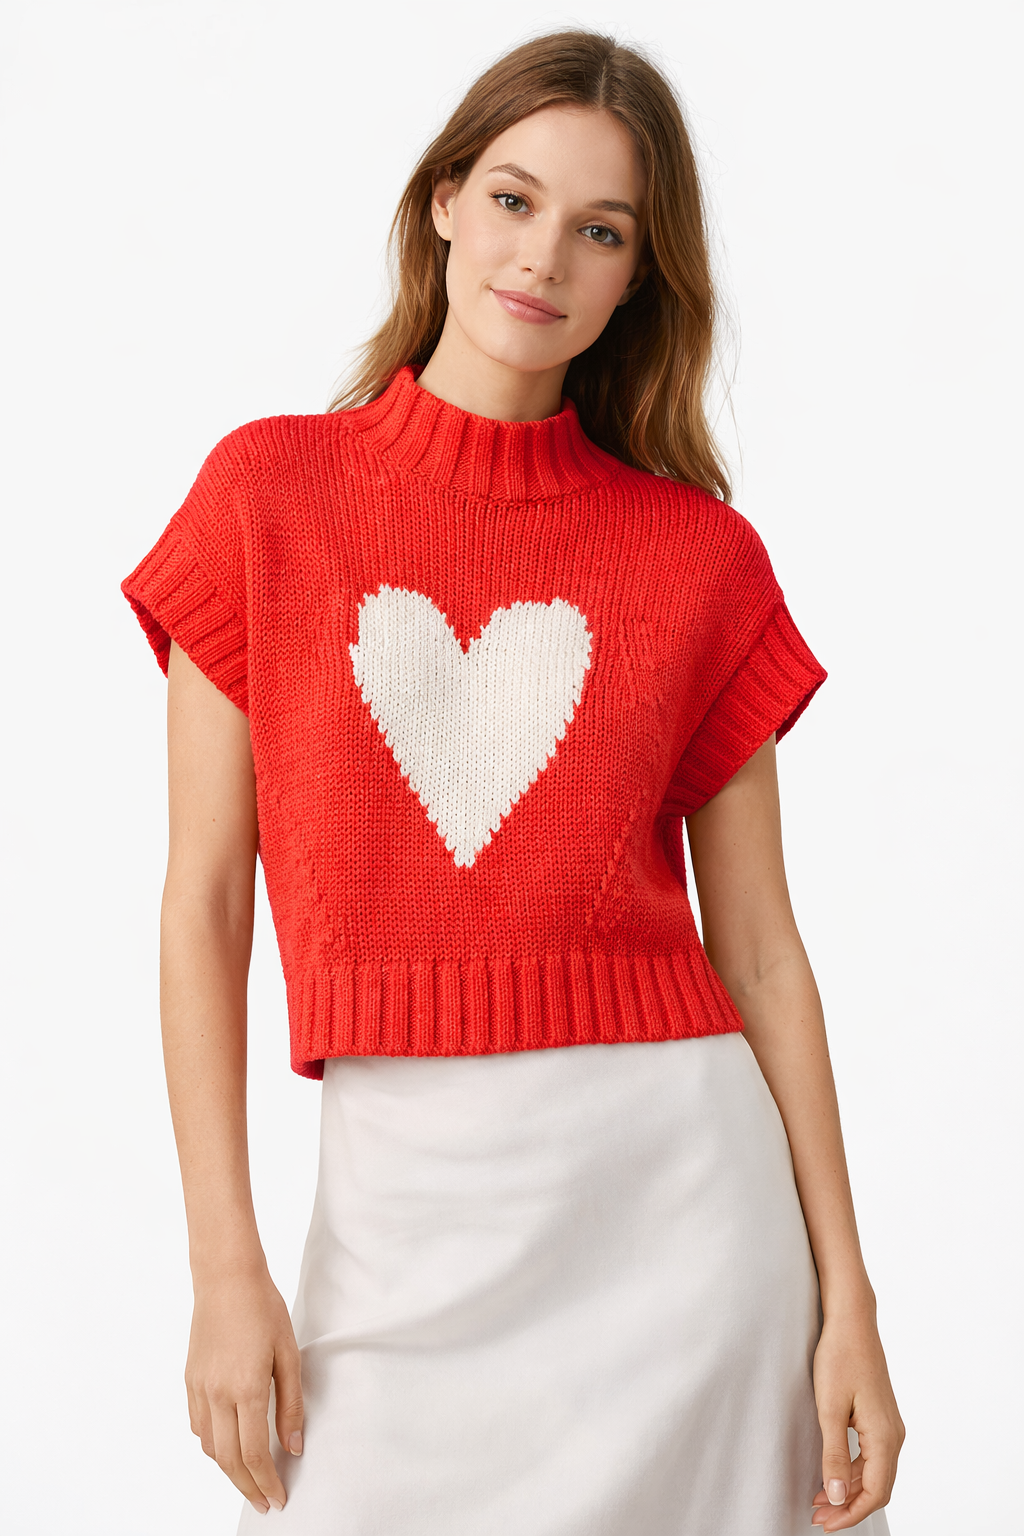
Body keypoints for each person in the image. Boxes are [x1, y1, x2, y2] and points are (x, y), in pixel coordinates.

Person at [122, 29, 904, 1536]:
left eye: (601, 230)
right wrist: (224, 1261)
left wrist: (849, 1299)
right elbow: (205, 903)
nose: (542, 256)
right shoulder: (267, 499)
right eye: (512, 198)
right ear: (443, 203)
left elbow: (761, 952)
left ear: (638, 278)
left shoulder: (699, 560)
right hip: (398, 1222)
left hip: (683, 1218)